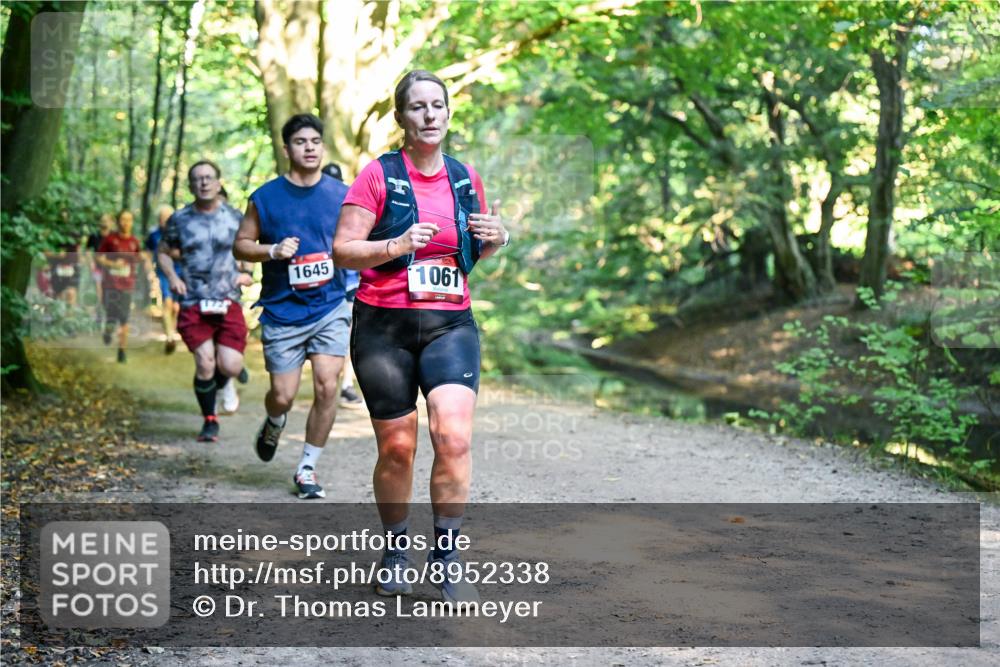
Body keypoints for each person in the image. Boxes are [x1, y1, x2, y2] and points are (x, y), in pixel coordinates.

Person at [332, 70, 510, 603]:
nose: (429, 115)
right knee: (398, 448)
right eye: (417, 106)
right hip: (383, 327)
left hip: (449, 324)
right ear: (401, 117)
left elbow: (473, 251)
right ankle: (394, 551)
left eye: (437, 105)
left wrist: (499, 238)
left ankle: (447, 556)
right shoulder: (378, 176)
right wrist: (397, 244)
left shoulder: (465, 178)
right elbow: (343, 249)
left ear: (449, 114)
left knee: (453, 438)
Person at [234, 114, 351, 500]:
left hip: (330, 306)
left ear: (323, 146)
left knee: (327, 385)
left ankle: (307, 468)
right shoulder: (265, 197)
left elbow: (363, 238)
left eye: (315, 141)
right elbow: (241, 245)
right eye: (301, 142)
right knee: (282, 394)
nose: (310, 148)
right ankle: (275, 419)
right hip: (283, 311)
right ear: (287, 149)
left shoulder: (343, 195)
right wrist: (272, 251)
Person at [159, 160, 252, 442]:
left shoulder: (234, 216)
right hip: (194, 300)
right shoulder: (180, 219)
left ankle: (225, 379)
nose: (204, 182)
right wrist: (172, 277)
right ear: (191, 185)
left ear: (218, 182)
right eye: (197, 178)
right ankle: (210, 420)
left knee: (230, 366)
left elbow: (247, 248)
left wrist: (247, 272)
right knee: (205, 363)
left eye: (209, 177)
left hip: (227, 298)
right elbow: (163, 252)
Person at [321, 161, 364, 408]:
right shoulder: (312, 207)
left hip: (348, 282)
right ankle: (327, 382)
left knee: (349, 334)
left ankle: (346, 385)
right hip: (319, 284)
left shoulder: (352, 205)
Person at [96, 210, 142, 363]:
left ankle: (122, 351)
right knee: (111, 315)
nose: (126, 223)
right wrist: (112, 264)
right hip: (110, 284)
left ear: (132, 222)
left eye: (129, 219)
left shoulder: (134, 242)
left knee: (124, 318)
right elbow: (99, 257)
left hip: (127, 286)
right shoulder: (110, 239)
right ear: (118, 221)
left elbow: (138, 259)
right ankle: (108, 331)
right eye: (123, 219)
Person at [147, 205, 181, 354]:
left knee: (176, 307)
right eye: (162, 217)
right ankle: (170, 337)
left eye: (168, 217)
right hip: (163, 274)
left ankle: (171, 332)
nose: (165, 220)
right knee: (167, 303)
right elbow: (148, 253)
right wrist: (150, 271)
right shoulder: (153, 235)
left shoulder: (180, 234)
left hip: (180, 273)